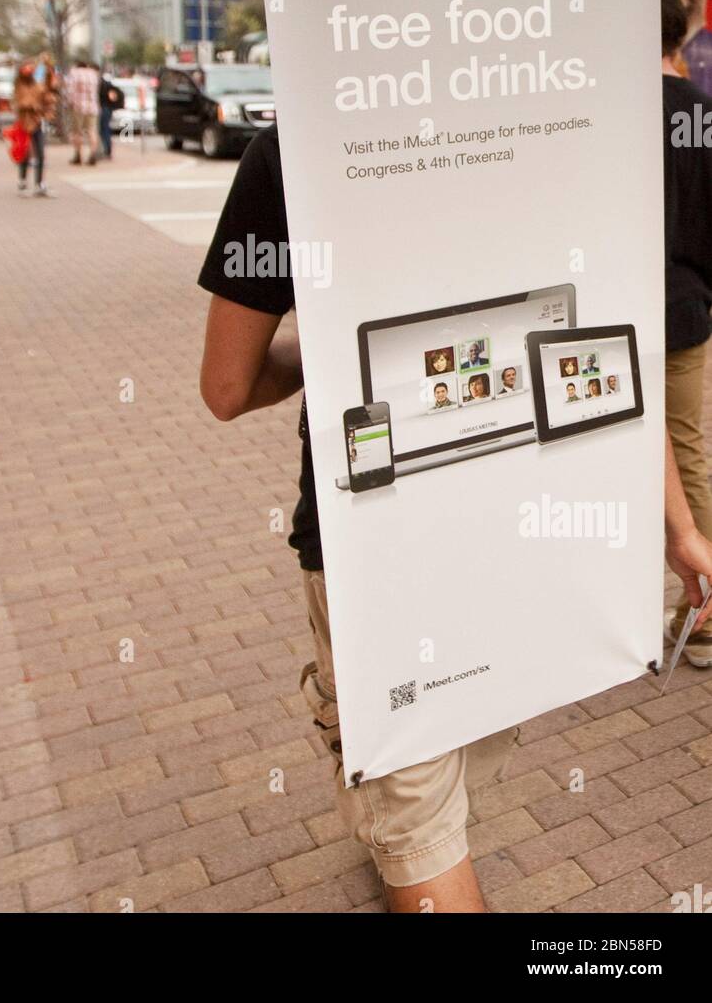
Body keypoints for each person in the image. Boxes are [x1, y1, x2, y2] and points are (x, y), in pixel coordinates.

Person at [198, 122, 518, 914]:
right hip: (516, 517)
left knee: (417, 821)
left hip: (370, 532)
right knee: (442, 776)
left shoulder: (294, 149)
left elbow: (226, 388)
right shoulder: (530, 118)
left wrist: (343, 349)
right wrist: (676, 527)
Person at [662, 0, 712, 665]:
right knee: (685, 450)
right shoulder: (701, 112)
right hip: (683, 309)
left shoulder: (596, 111)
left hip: (600, 317)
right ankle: (699, 604)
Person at [13, 61, 57, 196]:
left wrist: (49, 71)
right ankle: (22, 182)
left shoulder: (37, 86)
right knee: (25, 154)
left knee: (41, 154)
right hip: (24, 124)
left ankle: (39, 184)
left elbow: (48, 90)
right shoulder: (19, 87)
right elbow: (20, 102)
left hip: (37, 123)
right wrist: (33, 106)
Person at [67, 61, 99, 166]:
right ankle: (93, 153)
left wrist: (69, 103)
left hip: (78, 106)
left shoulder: (74, 73)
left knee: (77, 132)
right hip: (92, 107)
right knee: (91, 130)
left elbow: (70, 91)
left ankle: (78, 154)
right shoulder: (93, 74)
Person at [98, 71, 123, 159]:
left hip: (104, 109)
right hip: (107, 109)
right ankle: (107, 150)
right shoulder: (107, 84)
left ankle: (106, 150)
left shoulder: (101, 84)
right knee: (105, 129)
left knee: (103, 130)